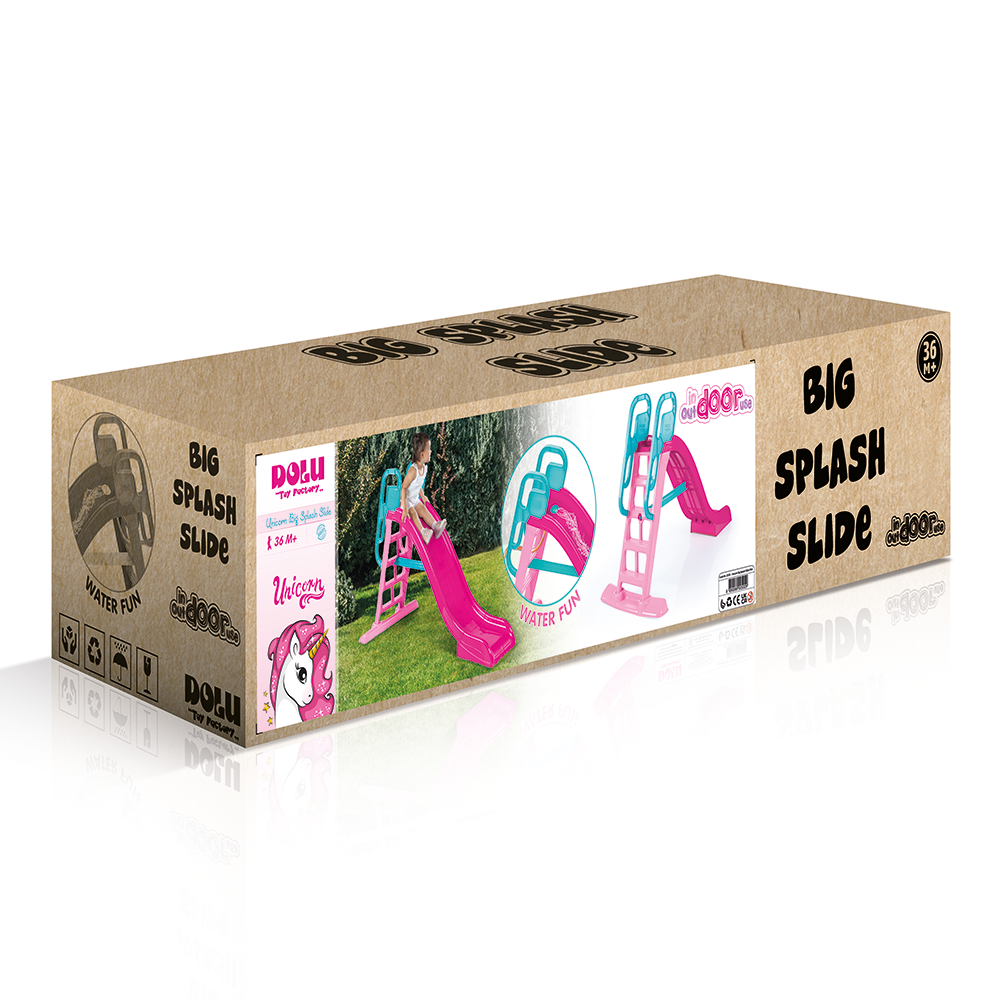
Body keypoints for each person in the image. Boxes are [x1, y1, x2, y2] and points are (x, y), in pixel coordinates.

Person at [401, 432, 447, 544]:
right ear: (422, 455)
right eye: (429, 449)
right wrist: (405, 508)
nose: (430, 451)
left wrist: (423, 496)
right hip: (406, 501)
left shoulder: (424, 469)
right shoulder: (413, 470)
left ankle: (435, 526)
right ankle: (423, 532)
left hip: (415, 499)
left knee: (423, 509)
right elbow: (403, 488)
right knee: (413, 512)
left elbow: (418, 485)